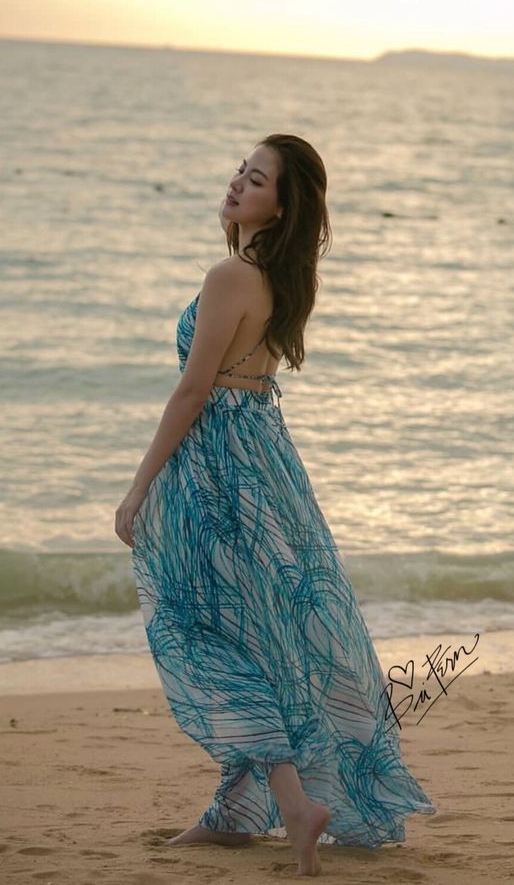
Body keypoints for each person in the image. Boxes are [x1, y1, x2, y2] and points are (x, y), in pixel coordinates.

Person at [115, 133, 436, 876]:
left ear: (281, 205)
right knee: (256, 635)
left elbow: (195, 391)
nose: (236, 184)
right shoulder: (281, 279)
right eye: (240, 170)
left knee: (205, 634)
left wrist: (139, 486)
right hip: (265, 463)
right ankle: (242, 811)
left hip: (217, 472)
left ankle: (290, 805)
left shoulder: (230, 274)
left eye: (255, 180)